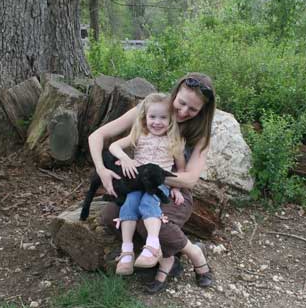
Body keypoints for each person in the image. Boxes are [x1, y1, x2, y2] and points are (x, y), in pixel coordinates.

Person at [88, 72, 216, 294]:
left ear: (202, 111)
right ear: (175, 93)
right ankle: (161, 254)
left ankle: (192, 253)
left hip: (173, 188)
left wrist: (151, 176)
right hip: (138, 184)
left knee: (146, 221)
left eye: (193, 109)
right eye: (182, 103)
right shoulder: (152, 108)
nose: (184, 112)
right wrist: (103, 169)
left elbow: (190, 179)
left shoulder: (199, 133)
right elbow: (96, 137)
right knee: (111, 216)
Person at [108, 92, 186, 275]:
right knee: (129, 204)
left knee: (148, 202)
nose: (157, 122)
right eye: (152, 117)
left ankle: (153, 244)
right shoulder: (140, 134)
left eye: (163, 118)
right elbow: (114, 146)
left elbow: (181, 169)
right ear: (145, 117)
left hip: (159, 184)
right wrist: (125, 159)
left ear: (171, 120)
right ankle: (126, 252)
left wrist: (176, 188)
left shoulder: (174, 141)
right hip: (137, 182)